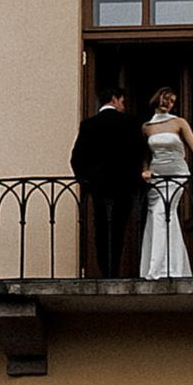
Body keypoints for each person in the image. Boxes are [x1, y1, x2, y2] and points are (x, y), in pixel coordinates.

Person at [138, 87, 193, 282]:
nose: (168, 103)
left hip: (177, 173)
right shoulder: (146, 127)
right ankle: (167, 267)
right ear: (157, 98)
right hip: (156, 176)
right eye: (166, 98)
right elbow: (145, 156)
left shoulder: (179, 122)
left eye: (172, 101)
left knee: (161, 213)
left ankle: (161, 268)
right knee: (161, 215)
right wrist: (145, 171)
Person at [69, 89, 147, 278]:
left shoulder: (88, 124)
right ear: (114, 99)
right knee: (119, 229)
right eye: (122, 101)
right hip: (125, 185)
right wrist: (137, 180)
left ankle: (106, 272)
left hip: (99, 187)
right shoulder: (131, 122)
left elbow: (76, 159)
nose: (123, 105)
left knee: (102, 229)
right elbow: (138, 153)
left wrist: (86, 183)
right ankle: (115, 270)